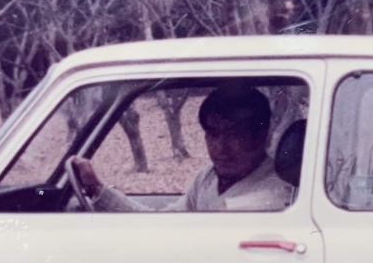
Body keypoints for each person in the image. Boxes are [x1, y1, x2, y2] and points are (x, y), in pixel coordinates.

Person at [70, 85, 294, 212]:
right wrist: (100, 190)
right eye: (213, 134)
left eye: (234, 135)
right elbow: (164, 225)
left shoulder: (280, 190)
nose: (221, 147)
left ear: (260, 136)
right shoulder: (207, 177)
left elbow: (255, 207)